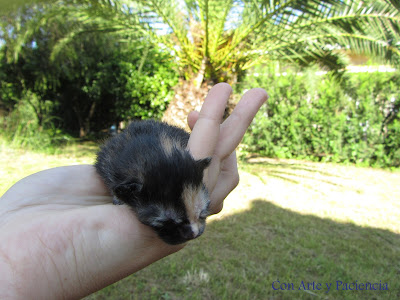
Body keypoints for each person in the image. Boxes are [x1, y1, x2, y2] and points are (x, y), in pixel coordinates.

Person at [0, 83, 267, 299]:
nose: (194, 232)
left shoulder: (180, 159)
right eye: (169, 221)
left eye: (201, 212)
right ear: (128, 193)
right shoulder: (118, 171)